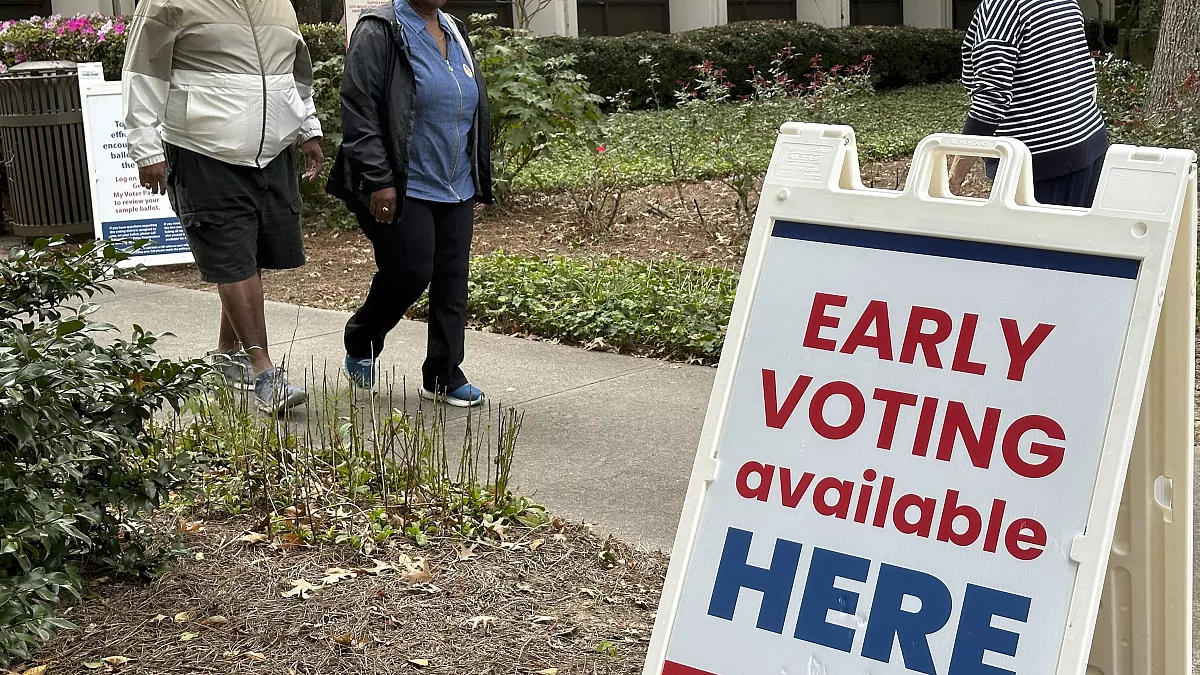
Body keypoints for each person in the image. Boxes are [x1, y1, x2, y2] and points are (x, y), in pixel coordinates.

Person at [122, 0, 325, 414]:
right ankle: (264, 371)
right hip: (203, 151)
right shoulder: (168, 2)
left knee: (247, 257)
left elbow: (295, 74)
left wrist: (308, 129)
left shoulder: (277, 3)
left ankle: (226, 358)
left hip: (273, 153)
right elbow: (142, 73)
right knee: (232, 257)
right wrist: (145, 150)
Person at [328, 0, 493, 407]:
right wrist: (378, 178)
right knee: (410, 271)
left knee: (452, 280)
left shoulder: (454, 28)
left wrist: (477, 175)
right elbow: (359, 107)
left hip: (455, 181)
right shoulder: (380, 29)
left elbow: (471, 105)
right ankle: (362, 338)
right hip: (403, 182)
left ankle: (443, 373)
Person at [951, 0, 1108, 208]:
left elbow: (990, 102)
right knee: (1072, 238)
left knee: (1031, 240)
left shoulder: (1001, 7)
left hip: (1039, 163)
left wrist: (953, 180)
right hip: (1089, 143)